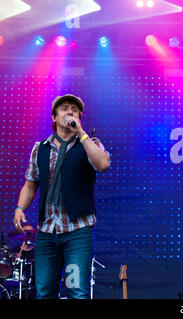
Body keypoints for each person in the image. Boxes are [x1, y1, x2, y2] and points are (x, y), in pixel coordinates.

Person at [13, 94, 110, 299]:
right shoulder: (40, 149)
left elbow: (102, 164)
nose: (70, 112)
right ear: (54, 117)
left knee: (77, 292)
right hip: (47, 231)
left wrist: (81, 133)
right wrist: (20, 208)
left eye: (75, 110)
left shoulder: (89, 143)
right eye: (65, 108)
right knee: (44, 293)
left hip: (77, 230)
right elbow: (31, 184)